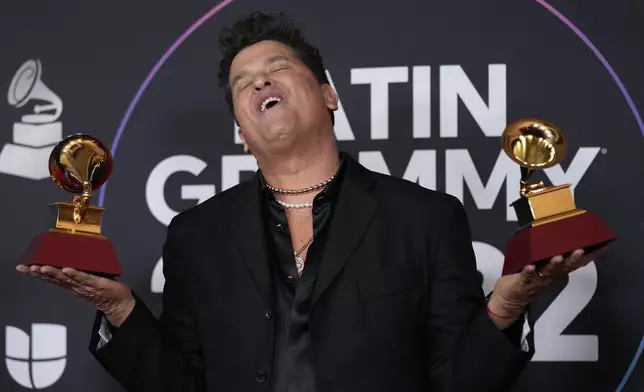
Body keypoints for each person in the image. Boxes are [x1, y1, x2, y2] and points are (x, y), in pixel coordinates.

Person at [17, 11, 607, 392]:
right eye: (243, 84)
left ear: (328, 95)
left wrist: (504, 306)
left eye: (277, 69)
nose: (258, 83)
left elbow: (456, 382)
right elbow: (184, 385)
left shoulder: (425, 218)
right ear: (240, 129)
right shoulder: (195, 233)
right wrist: (121, 310)